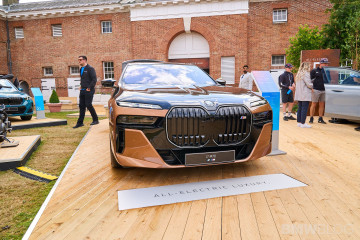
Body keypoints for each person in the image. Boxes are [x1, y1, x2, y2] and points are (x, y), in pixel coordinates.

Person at [73, 55, 99, 128]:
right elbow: (83, 79)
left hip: (89, 90)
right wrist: (81, 85)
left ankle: (95, 120)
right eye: (78, 60)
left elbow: (94, 79)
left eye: (80, 60)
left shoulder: (90, 68)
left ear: (84, 60)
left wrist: (89, 87)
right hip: (82, 90)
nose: (79, 61)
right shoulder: (81, 69)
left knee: (88, 105)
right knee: (81, 106)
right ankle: (80, 123)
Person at [309, 58, 328, 124]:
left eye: (326, 64)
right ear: (320, 63)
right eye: (324, 63)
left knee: (322, 104)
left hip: (323, 90)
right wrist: (312, 88)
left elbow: (329, 80)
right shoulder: (314, 70)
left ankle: (320, 118)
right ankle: (311, 118)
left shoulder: (327, 71)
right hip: (316, 89)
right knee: (314, 104)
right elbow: (310, 80)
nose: (326, 65)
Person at [294, 62, 313, 128]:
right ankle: (303, 123)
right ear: (307, 67)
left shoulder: (299, 74)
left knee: (300, 108)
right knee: (304, 108)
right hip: (305, 93)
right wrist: (314, 85)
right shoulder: (306, 74)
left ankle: (299, 122)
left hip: (299, 94)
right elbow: (309, 84)